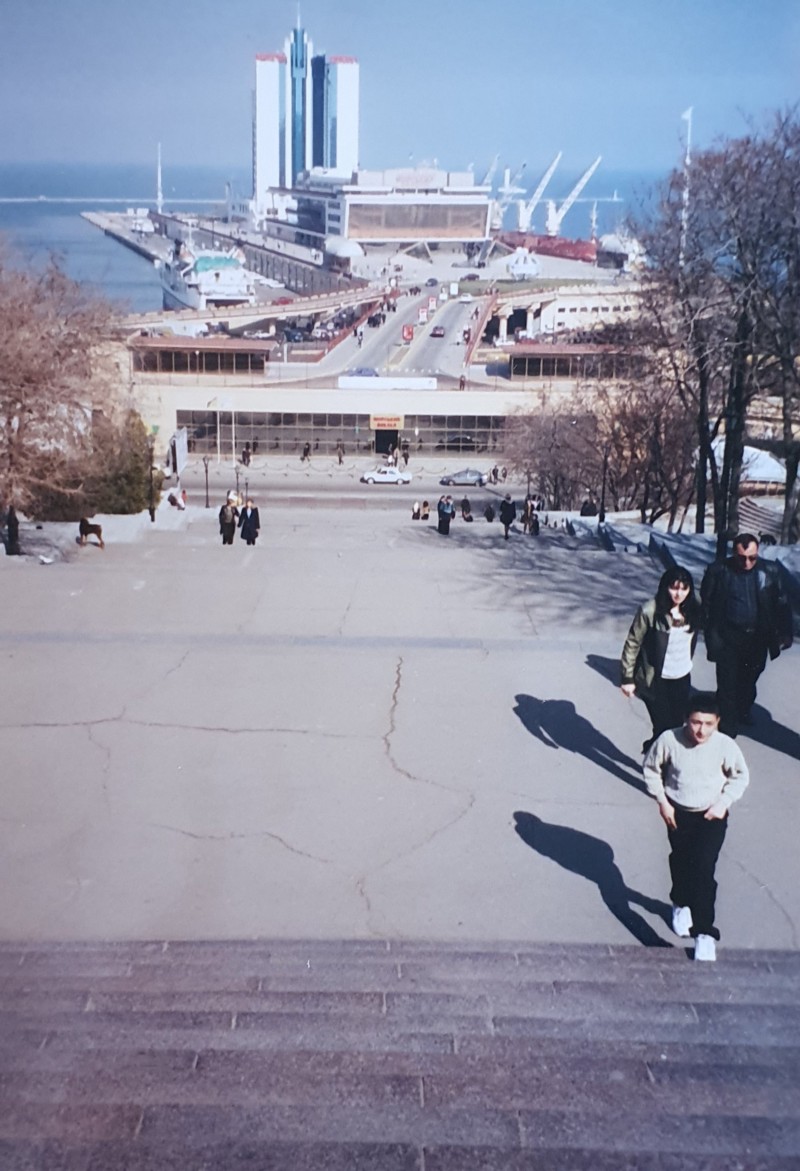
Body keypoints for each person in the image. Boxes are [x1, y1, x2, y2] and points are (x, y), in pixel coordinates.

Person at [643, 693, 749, 962]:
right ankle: (680, 902)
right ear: (685, 720)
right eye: (696, 722)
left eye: (708, 724)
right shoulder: (669, 740)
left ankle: (704, 933)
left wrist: (723, 803)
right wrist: (663, 802)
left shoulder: (725, 746)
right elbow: (652, 769)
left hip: (711, 816)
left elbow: (740, 776)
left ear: (718, 722)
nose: (702, 730)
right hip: (678, 814)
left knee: (703, 869)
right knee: (680, 861)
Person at [701, 532, 793, 737]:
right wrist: (709, 632)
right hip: (728, 637)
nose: (747, 562)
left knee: (749, 678)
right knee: (727, 683)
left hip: (757, 638)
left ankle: (742, 708)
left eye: (752, 557)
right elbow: (706, 603)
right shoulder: (719, 571)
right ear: (734, 554)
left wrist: (785, 632)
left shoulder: (769, 571)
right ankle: (728, 730)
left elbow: (781, 603)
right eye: (742, 557)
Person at [620, 567, 702, 753]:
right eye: (674, 588)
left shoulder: (694, 607)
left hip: (681, 676)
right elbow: (633, 642)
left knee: (677, 726)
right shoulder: (650, 610)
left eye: (684, 588)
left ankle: (654, 752)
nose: (678, 594)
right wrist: (627, 679)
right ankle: (661, 768)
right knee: (664, 728)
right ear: (665, 587)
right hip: (655, 679)